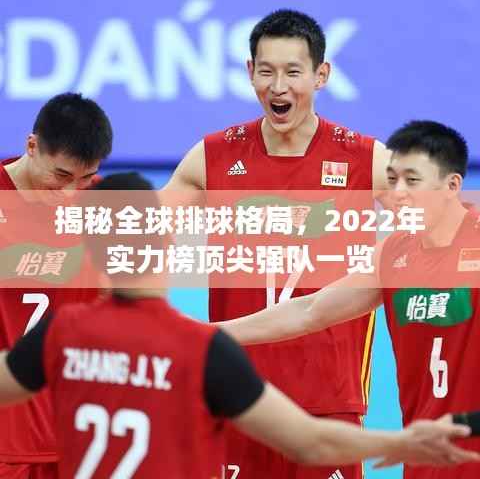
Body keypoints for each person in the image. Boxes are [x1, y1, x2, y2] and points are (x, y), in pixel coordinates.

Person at [0, 172, 478, 479]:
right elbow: (310, 442)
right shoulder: (199, 350)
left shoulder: (61, 334)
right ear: (169, 244)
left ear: (92, 250)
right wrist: (401, 441)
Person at [163, 8, 392, 478]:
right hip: (238, 397)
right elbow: (137, 236)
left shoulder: (365, 159)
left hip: (329, 403)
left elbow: (441, 222)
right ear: (250, 72)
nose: (278, 87)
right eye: (266, 72)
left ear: (321, 75)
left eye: (293, 72)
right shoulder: (212, 157)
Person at [219, 120, 480, 478]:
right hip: (427, 459)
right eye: (392, 179)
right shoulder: (394, 253)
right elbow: (309, 311)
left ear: (452, 185)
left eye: (412, 180)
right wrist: (207, 334)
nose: (398, 193)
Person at [0, 92, 112, 478]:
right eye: (61, 176)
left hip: (77, 435)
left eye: (85, 177)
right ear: (32, 146)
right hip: (7, 438)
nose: (70, 192)